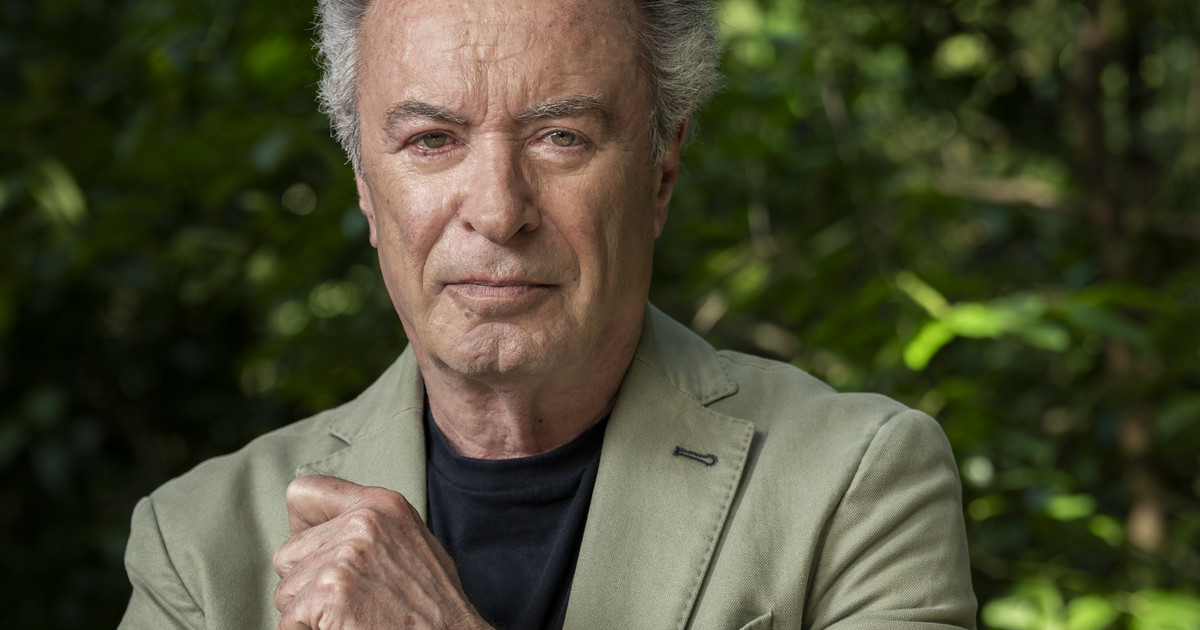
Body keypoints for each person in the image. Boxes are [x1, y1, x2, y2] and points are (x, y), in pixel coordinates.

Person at [119, 0, 977, 627]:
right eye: (431, 140)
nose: (498, 212)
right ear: (366, 190)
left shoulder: (855, 482)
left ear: (661, 172)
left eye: (561, 136)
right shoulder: (200, 541)